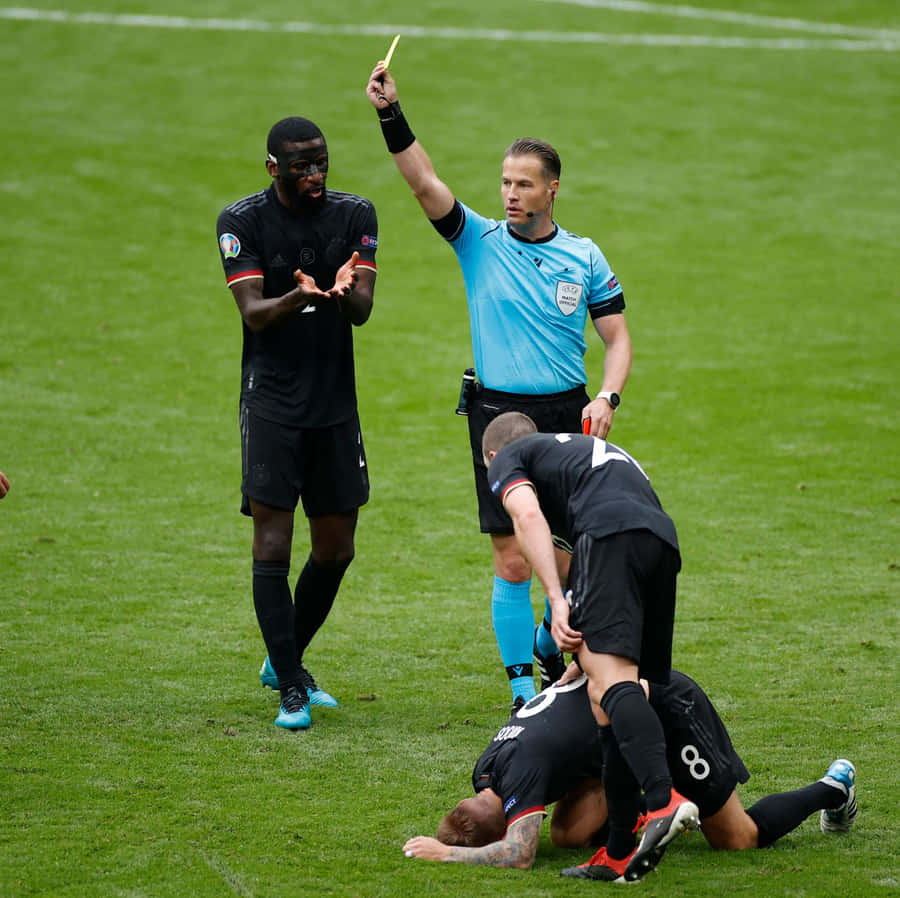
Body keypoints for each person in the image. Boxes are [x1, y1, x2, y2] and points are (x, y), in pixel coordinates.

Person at [366, 60, 633, 709]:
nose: (511, 194)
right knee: (513, 558)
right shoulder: (479, 240)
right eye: (505, 183)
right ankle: (522, 693)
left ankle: (548, 638)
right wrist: (390, 113)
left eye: (524, 184)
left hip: (567, 414)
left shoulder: (584, 256)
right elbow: (424, 182)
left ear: (552, 190)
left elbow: (618, 339)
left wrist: (608, 395)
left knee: (572, 559)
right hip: (498, 416)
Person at [478, 410, 699, 881]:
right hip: (660, 541)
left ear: (494, 456)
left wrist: (556, 600)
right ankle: (618, 851)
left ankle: (663, 800)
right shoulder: (577, 454)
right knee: (608, 695)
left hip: (609, 535)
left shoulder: (507, 459)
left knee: (610, 683)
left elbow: (527, 517)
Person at [216, 116, 377, 730]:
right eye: (301, 165)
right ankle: (290, 684)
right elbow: (254, 313)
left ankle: (282, 657)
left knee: (336, 548)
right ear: (272, 168)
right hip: (272, 403)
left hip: (334, 404)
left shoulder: (355, 214)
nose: (315, 174)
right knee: (273, 544)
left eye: (321, 162)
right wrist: (300, 296)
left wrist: (343, 289)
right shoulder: (242, 222)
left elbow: (361, 310)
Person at [400, 671, 858, 878]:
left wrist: (448, 855)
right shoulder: (486, 771)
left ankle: (833, 789)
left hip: (665, 709)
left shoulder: (522, 773)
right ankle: (649, 809)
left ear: (505, 826)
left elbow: (519, 855)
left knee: (738, 838)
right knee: (569, 835)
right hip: (612, 726)